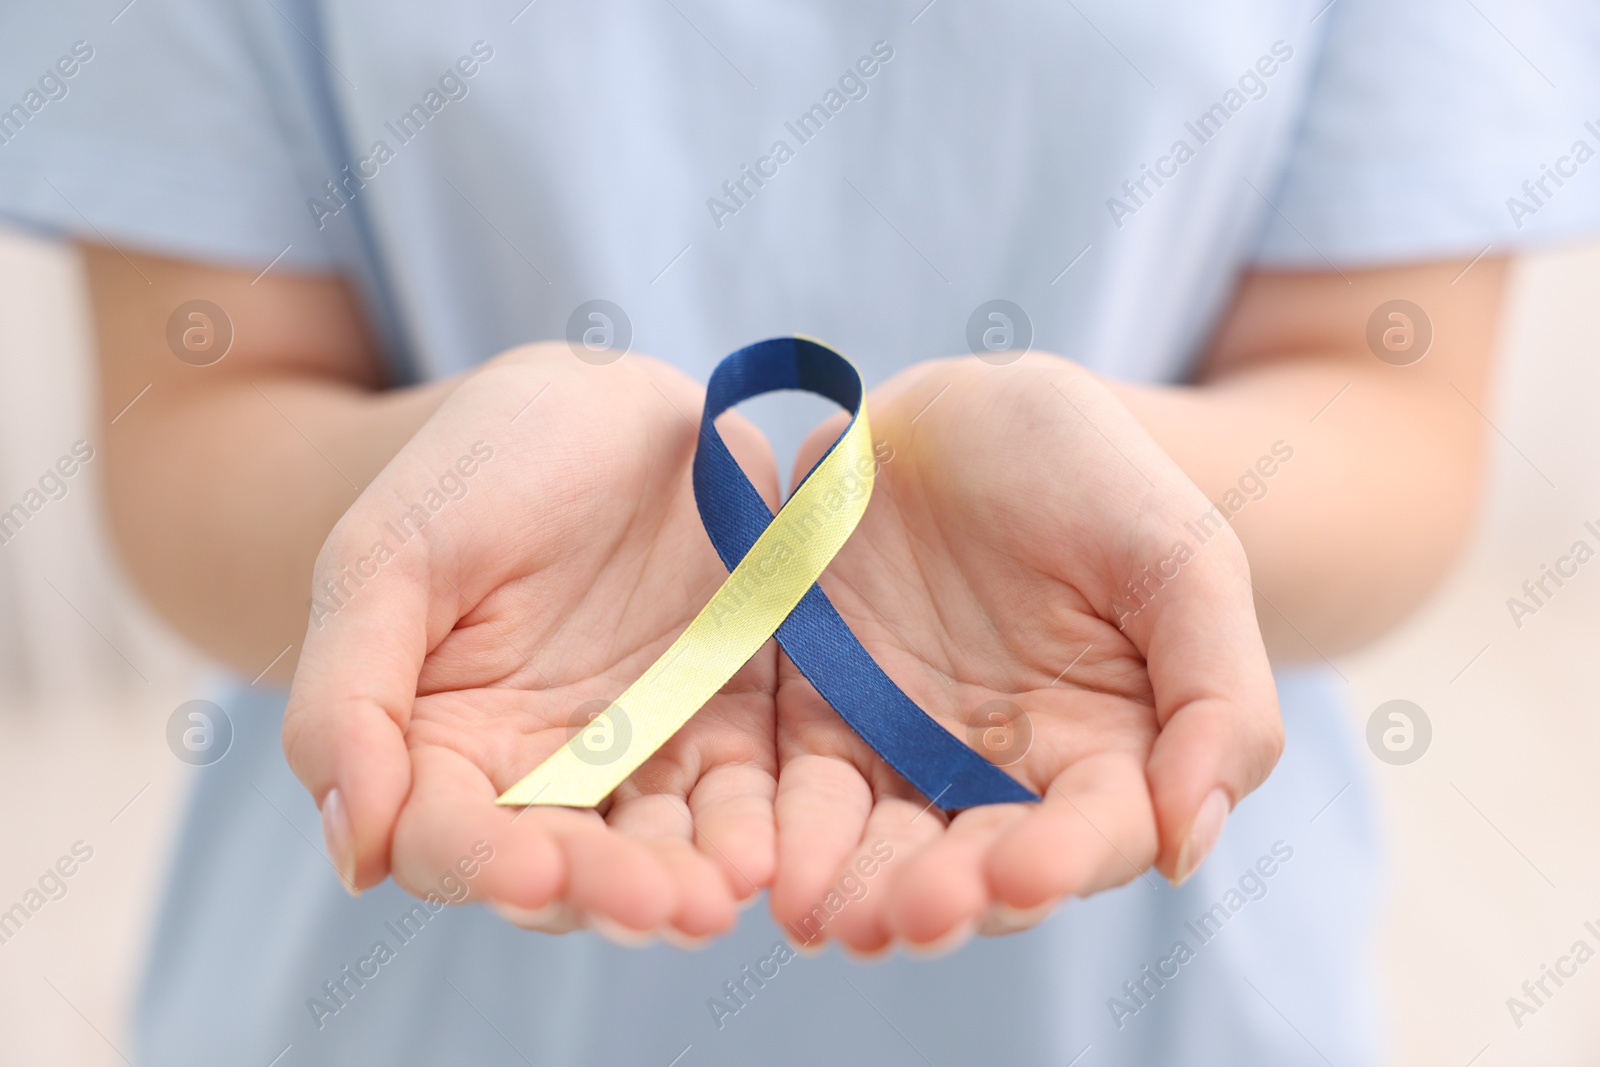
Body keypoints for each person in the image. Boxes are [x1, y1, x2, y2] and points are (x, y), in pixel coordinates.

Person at [3, 0, 1596, 1062]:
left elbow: (1395, 415)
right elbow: (189, 430)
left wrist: (1147, 522)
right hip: (404, 979)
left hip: (1147, 997)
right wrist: (421, 500)